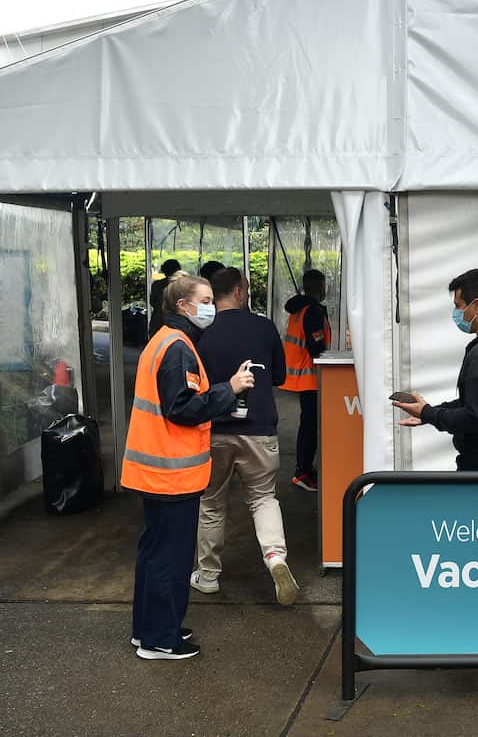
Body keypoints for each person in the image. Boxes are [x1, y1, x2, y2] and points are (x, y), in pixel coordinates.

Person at [123, 272, 257, 661]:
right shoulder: (178, 347)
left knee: (153, 552)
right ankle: (161, 641)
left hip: (157, 471)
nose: (211, 307)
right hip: (171, 473)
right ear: (183, 305)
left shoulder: (164, 340)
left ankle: (148, 629)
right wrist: (228, 389)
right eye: (205, 300)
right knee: (171, 557)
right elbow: (182, 408)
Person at [190, 267, 298, 606]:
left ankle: (207, 576)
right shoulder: (264, 327)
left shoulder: (200, 333)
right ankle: (276, 558)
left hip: (215, 430)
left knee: (210, 502)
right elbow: (279, 376)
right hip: (259, 430)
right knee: (263, 498)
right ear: (239, 291)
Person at [393, 269, 478, 471]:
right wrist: (427, 412)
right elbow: (477, 402)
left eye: (459, 306)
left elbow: (475, 417)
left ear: (477, 306)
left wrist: (429, 414)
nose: (456, 314)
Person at [282, 269, 331, 491]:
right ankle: (303, 472)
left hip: (300, 375)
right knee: (310, 426)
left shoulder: (299, 308)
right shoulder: (312, 311)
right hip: (310, 376)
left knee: (307, 424)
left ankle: (304, 469)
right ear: (320, 286)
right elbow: (316, 346)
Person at [147, 258, 182, 339]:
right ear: (177, 269)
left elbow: (152, 302)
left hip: (158, 319)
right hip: (176, 320)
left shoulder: (157, 284)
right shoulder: (181, 285)